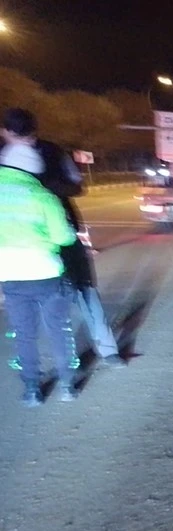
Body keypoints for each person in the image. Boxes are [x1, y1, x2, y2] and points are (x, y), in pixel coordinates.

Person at [1, 108, 126, 369]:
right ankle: (42, 368)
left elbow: (77, 185)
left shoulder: (53, 152)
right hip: (20, 244)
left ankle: (105, 349)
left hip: (60, 233)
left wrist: (47, 188)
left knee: (83, 287)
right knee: (28, 306)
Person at [0, 141, 79, 405]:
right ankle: (68, 385)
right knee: (57, 328)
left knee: (24, 333)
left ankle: (32, 390)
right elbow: (64, 237)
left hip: (10, 275)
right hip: (45, 273)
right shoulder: (43, 196)